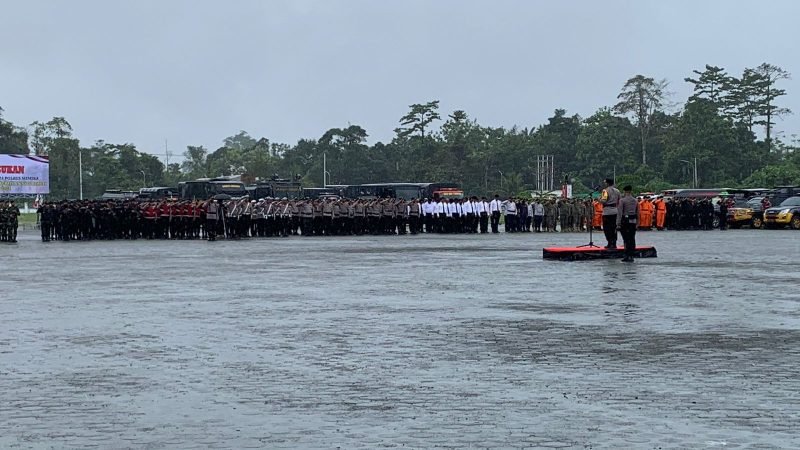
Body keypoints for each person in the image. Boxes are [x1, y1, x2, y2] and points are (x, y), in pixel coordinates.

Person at [617, 185, 639, 262]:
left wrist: (618, 223)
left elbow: (620, 213)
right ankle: (631, 255)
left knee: (626, 239)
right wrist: (637, 223)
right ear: (630, 191)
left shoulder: (622, 201)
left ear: (625, 191)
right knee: (632, 238)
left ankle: (627, 255)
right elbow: (638, 212)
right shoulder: (635, 200)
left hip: (625, 221)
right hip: (633, 221)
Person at [599, 178, 621, 249]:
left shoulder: (605, 191)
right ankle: (614, 243)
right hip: (615, 210)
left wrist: (599, 199)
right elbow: (619, 200)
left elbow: (604, 201)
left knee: (607, 228)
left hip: (607, 211)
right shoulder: (617, 191)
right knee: (614, 228)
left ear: (607, 183)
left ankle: (609, 242)